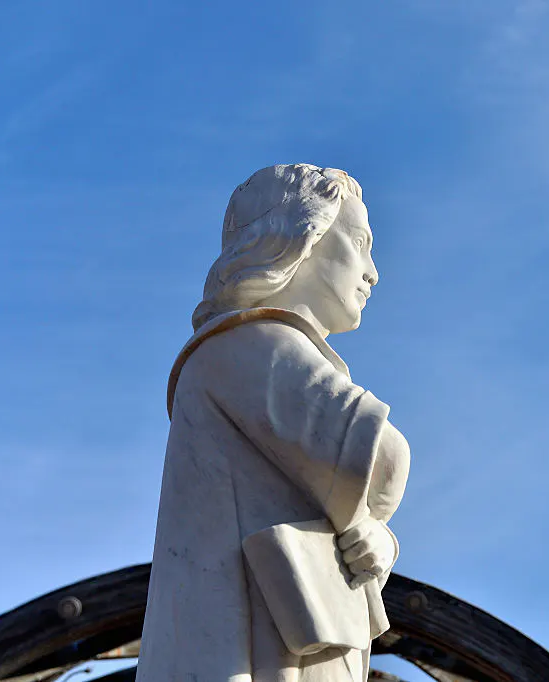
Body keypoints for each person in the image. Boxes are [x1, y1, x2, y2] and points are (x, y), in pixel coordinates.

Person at [136, 164, 410, 682]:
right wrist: (372, 522)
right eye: (360, 244)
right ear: (300, 237)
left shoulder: (237, 352)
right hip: (260, 657)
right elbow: (385, 457)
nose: (372, 272)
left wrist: (378, 535)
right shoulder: (248, 347)